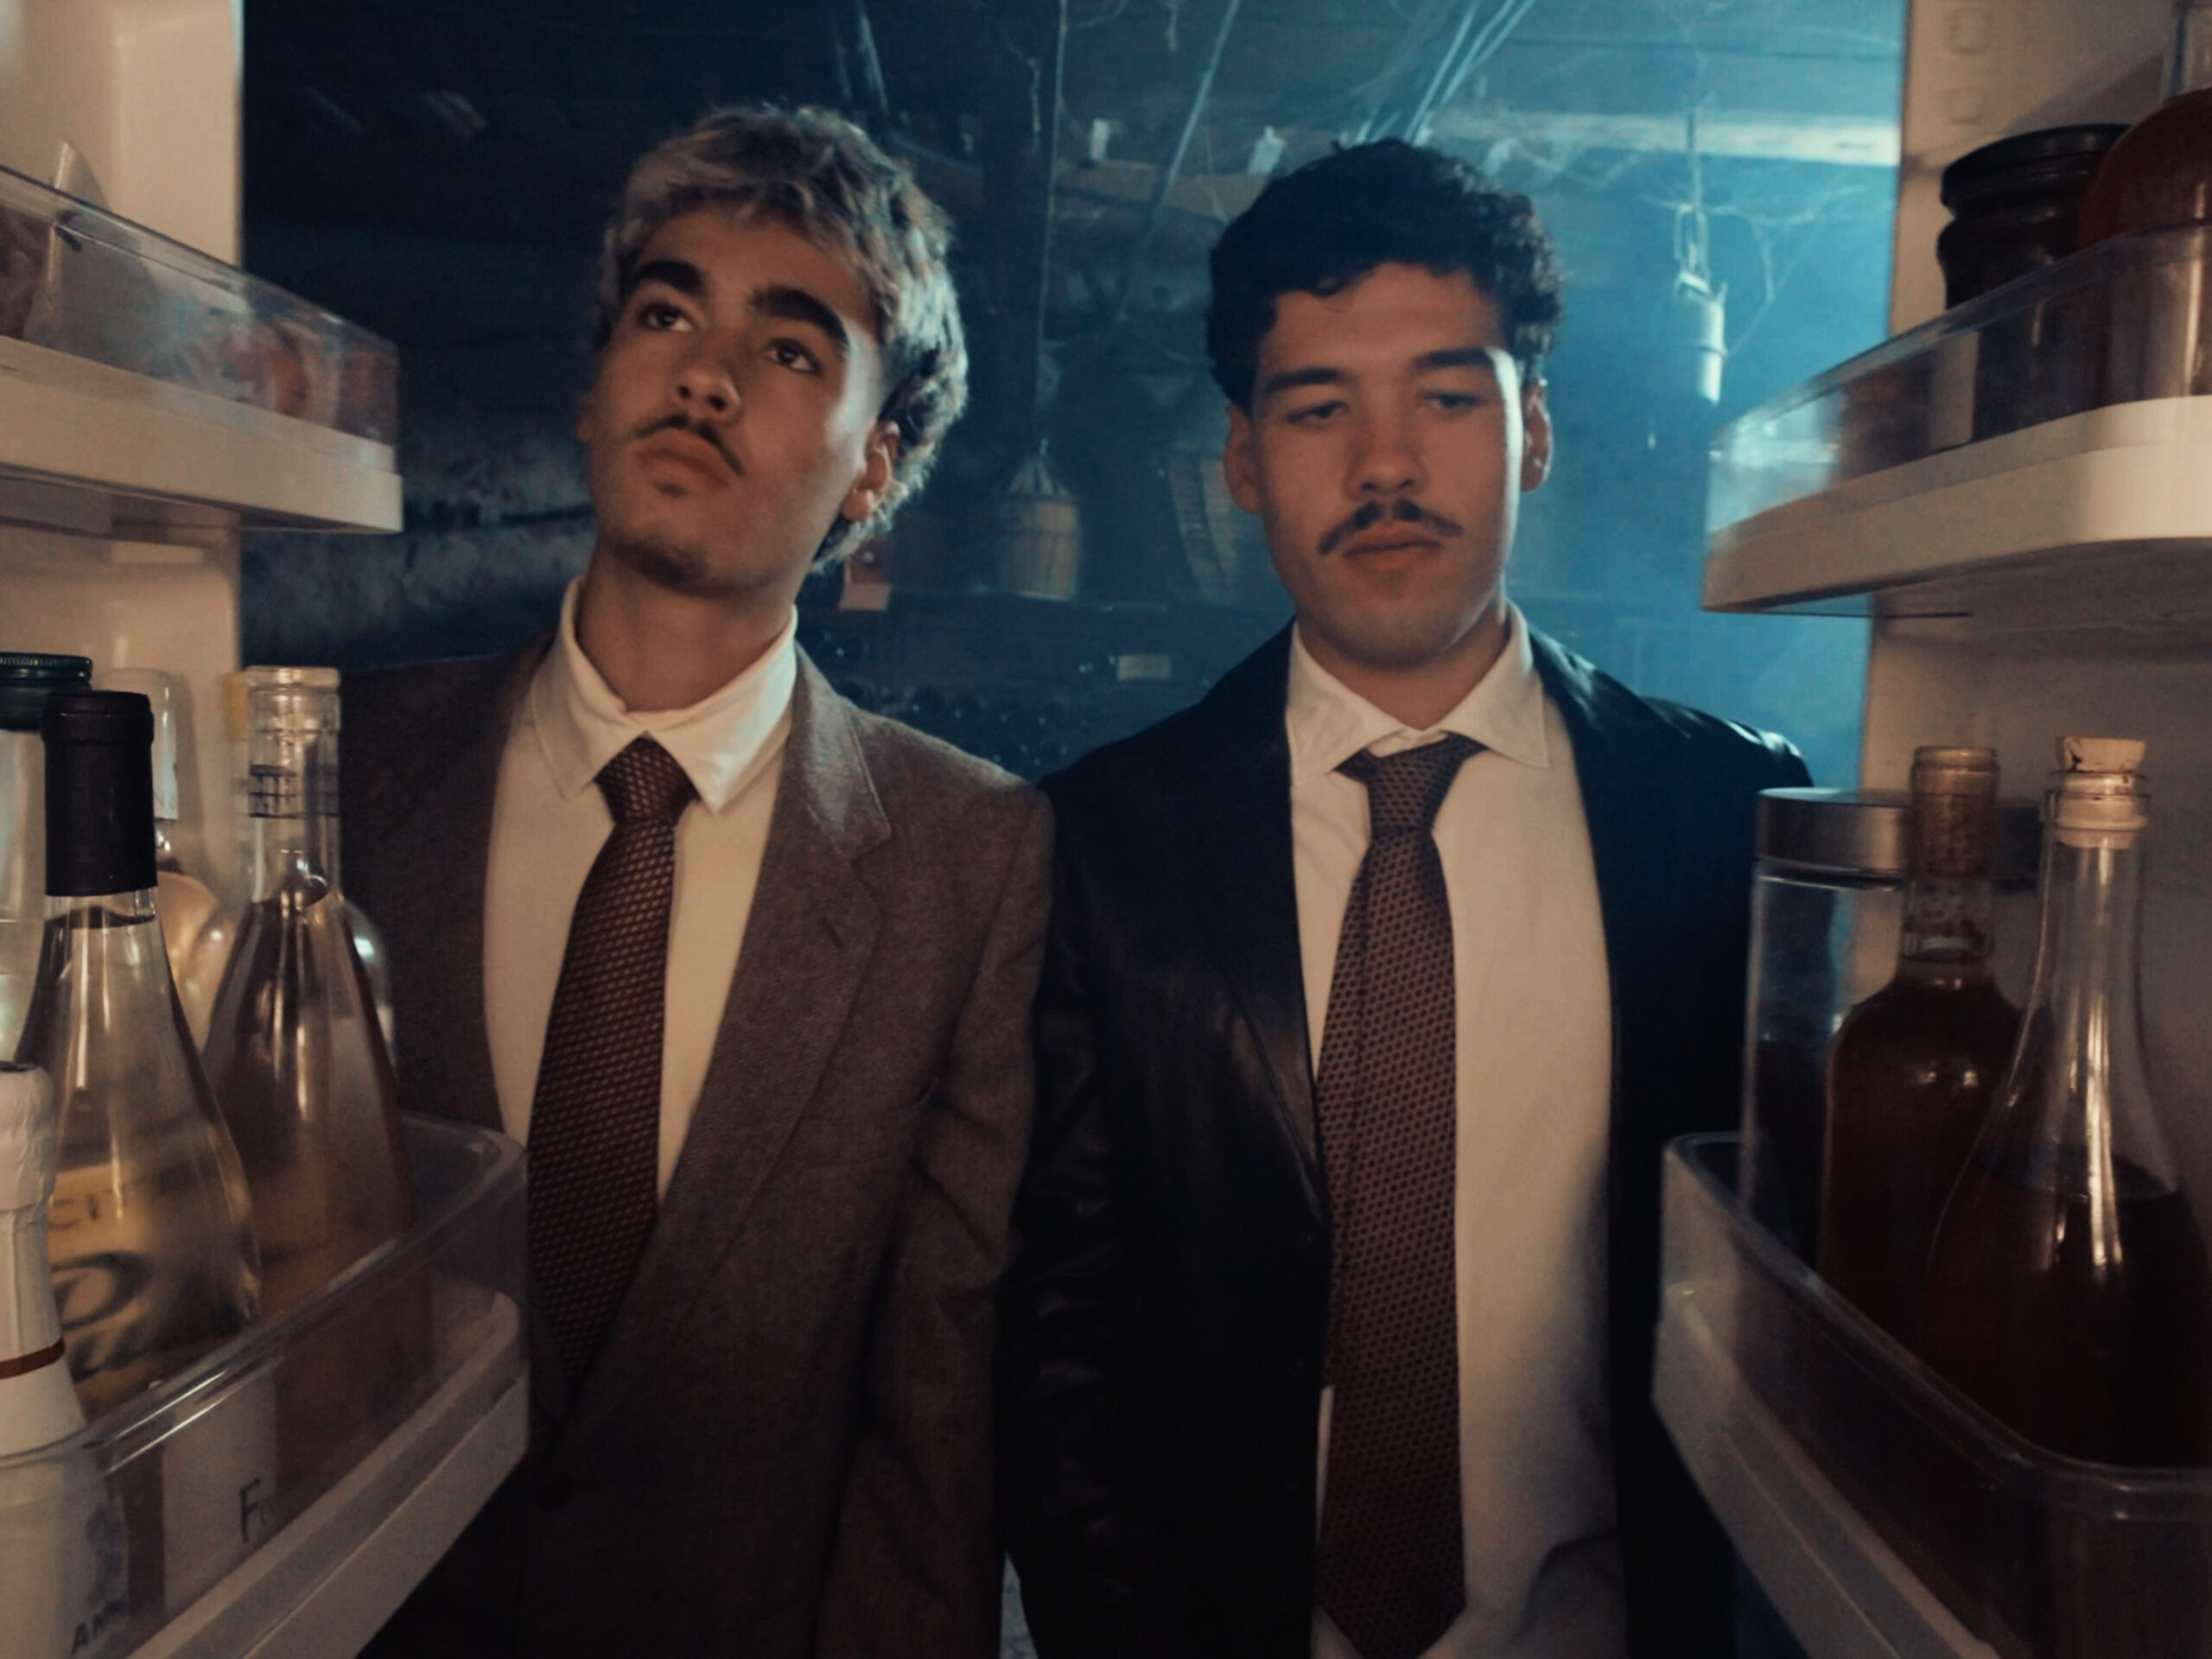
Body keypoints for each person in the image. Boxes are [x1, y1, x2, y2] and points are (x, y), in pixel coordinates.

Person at [997, 140, 1810, 1659]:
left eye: (1446, 398)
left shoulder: (1719, 814)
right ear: (1243, 460)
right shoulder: (1107, 842)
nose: (1385, 465)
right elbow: (1063, 1336)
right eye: (1319, 409)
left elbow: (1785, 1299)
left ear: (1534, 429)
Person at [344, 106, 1049, 1658]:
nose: (706, 375)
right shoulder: (346, 772)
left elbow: (936, 1406)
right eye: (665, 315)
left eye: (789, 348)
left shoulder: (970, 855)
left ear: (876, 464)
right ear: (593, 389)